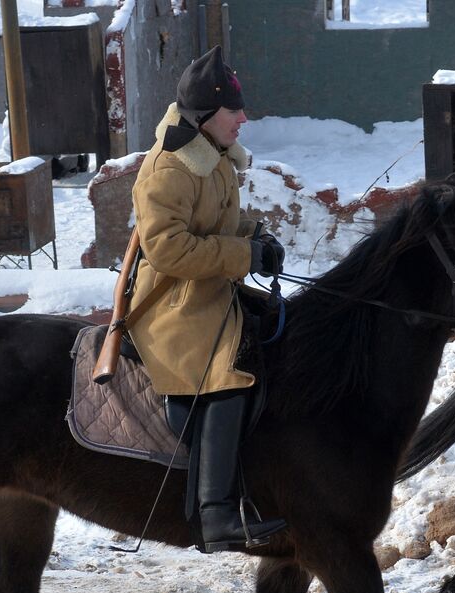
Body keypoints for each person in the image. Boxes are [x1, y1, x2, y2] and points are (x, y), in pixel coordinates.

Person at [128, 46, 287, 553]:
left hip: (207, 289)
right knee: (227, 378)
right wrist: (242, 254)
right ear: (203, 116)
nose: (243, 118)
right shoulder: (172, 168)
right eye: (233, 110)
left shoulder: (212, 156)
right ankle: (216, 513)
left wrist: (256, 238)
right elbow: (168, 248)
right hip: (173, 306)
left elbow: (213, 224)